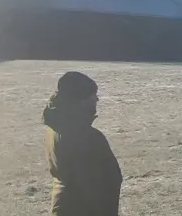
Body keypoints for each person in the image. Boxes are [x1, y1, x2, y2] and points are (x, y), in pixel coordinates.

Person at [42, 71, 123, 216]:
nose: (96, 99)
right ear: (78, 100)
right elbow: (96, 187)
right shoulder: (86, 137)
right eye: (92, 96)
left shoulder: (57, 127)